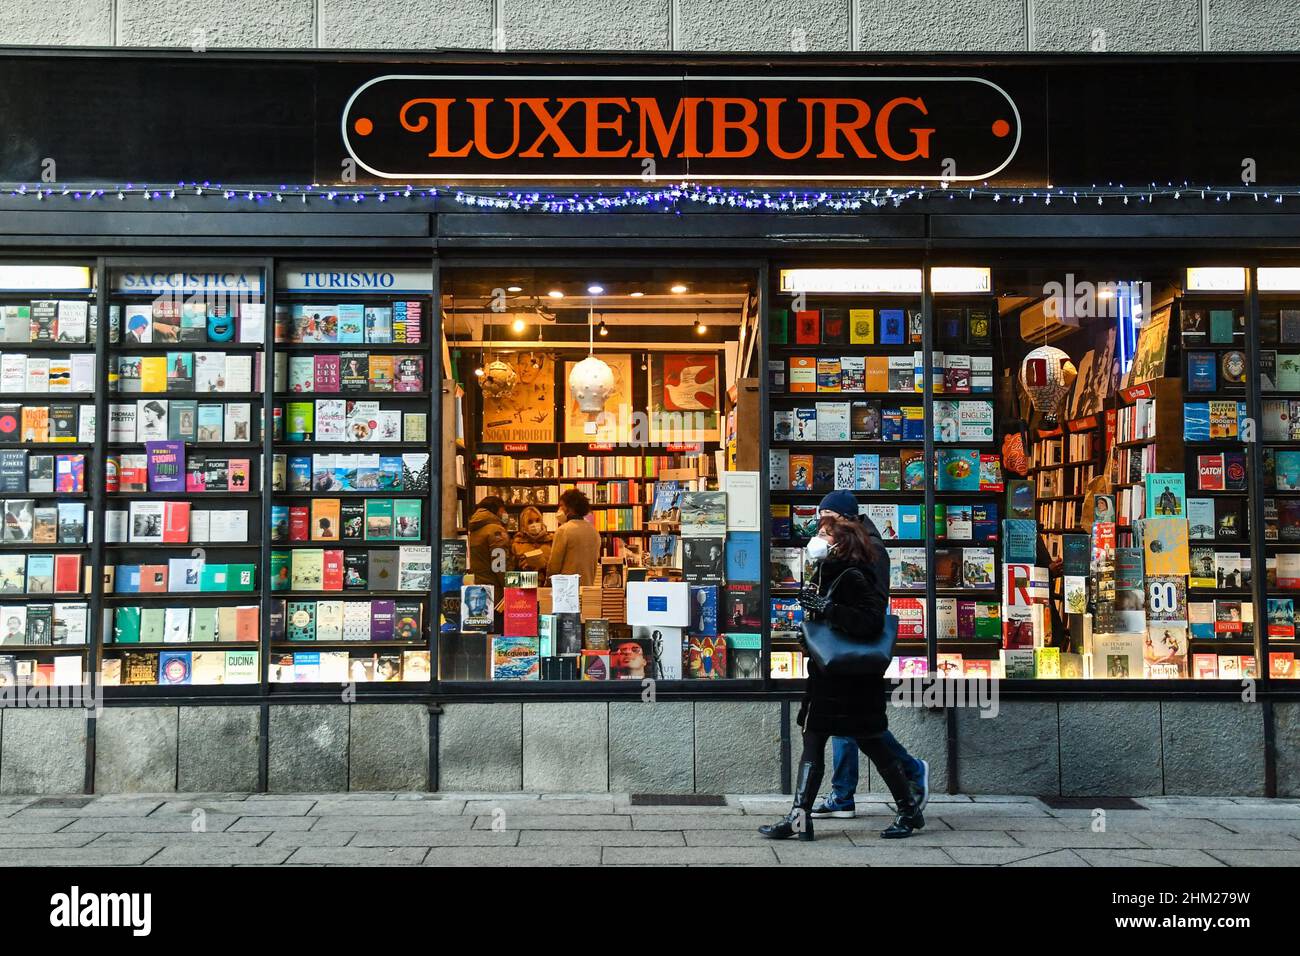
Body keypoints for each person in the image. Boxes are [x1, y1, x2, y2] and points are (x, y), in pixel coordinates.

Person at [760, 490, 929, 842]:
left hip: (851, 677)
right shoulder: (831, 568)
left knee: (872, 743)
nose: (818, 537)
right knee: (814, 739)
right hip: (829, 675)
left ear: (840, 534)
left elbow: (869, 621)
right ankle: (799, 816)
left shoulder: (854, 571)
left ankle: (908, 809)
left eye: (824, 530)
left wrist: (826, 608)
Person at [548, 489, 600, 586]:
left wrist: (547, 583)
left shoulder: (563, 530)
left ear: (570, 508)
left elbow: (554, 566)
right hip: (588, 588)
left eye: (562, 506)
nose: (559, 510)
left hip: (566, 590)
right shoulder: (594, 532)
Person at [467, 495, 510, 596]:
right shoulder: (496, 530)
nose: (505, 514)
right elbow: (499, 565)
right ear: (498, 510)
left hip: (479, 587)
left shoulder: (475, 528)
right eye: (503, 510)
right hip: (495, 590)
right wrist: (509, 587)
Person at [510, 505, 553, 581]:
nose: (534, 524)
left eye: (537, 520)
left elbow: (558, 566)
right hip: (525, 585)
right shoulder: (516, 543)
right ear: (524, 525)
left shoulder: (551, 540)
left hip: (548, 585)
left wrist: (545, 565)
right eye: (530, 522)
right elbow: (510, 574)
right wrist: (521, 567)